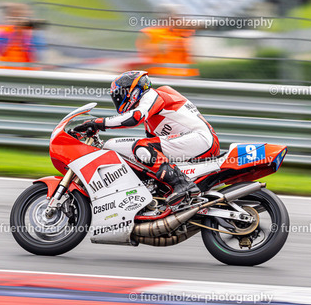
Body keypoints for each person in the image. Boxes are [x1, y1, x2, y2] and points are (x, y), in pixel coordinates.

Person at [74, 71, 220, 205]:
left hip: (200, 140)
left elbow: (134, 118)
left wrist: (97, 123)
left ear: (133, 91)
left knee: (141, 147)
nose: (118, 100)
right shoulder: (151, 120)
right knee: (144, 155)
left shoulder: (152, 95)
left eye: (119, 95)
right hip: (195, 143)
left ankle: (182, 183)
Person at [132, 4, 200, 77]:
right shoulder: (149, 33)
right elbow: (145, 53)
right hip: (160, 75)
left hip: (182, 75)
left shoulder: (183, 33)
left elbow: (192, 54)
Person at [0, 3, 46, 70]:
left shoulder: (34, 34)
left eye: (20, 16)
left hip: (27, 71)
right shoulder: (2, 32)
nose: (17, 21)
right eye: (13, 17)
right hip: (5, 69)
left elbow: (40, 56)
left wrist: (27, 38)